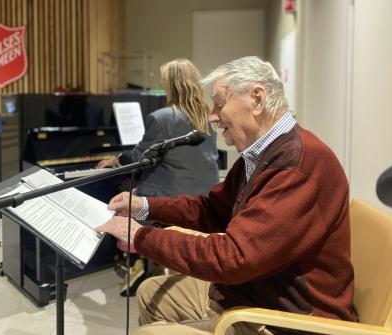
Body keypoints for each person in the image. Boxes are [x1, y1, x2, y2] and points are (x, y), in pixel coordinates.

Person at [96, 56, 357, 335]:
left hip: (288, 322)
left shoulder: (297, 165)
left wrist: (140, 236)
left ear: (257, 99)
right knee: (151, 290)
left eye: (219, 104)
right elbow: (211, 209)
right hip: (254, 293)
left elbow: (233, 259)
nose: (212, 115)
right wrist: (143, 206)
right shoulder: (262, 154)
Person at [96, 59, 220, 296]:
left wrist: (114, 160)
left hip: (172, 196)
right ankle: (142, 261)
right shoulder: (206, 114)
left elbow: (139, 157)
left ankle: (137, 260)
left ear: (170, 86)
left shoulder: (162, 117)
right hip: (205, 193)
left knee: (124, 200)